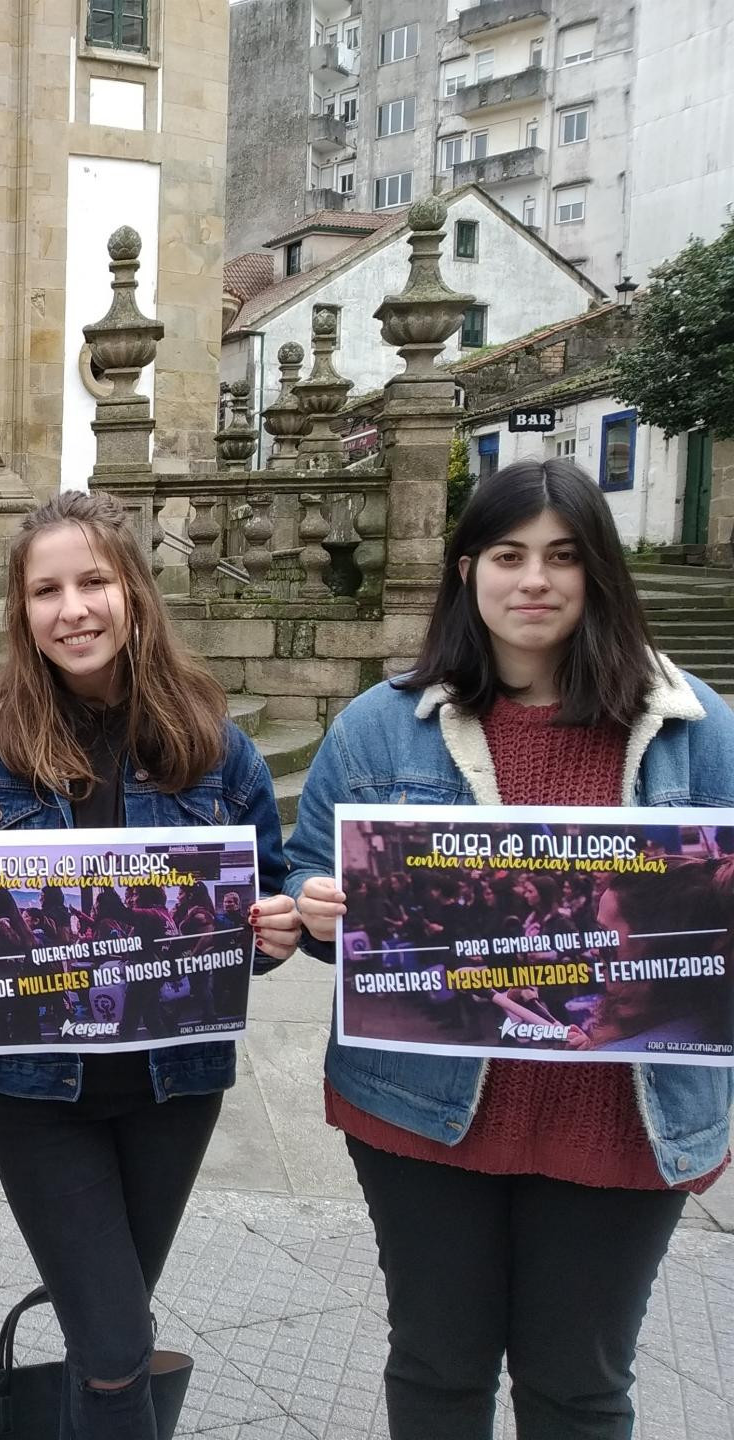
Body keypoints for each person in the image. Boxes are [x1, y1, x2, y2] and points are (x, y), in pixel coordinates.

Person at [287, 458, 734, 1440]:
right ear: (465, 570)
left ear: (599, 574)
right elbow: (304, 870)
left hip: (625, 1117)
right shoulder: (380, 725)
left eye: (564, 557)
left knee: (580, 1389)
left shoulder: (697, 731)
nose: (535, 580)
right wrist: (314, 907)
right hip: (425, 1112)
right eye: (508, 554)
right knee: (438, 1373)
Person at [0, 490, 299, 1440]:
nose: (73, 608)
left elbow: (265, 903)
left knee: (106, 1347)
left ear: (133, 592)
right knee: (120, 1341)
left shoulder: (218, 748)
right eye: (46, 590)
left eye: (93, 582)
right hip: (40, 1096)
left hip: (175, 1089)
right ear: (23, 612)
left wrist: (274, 929)